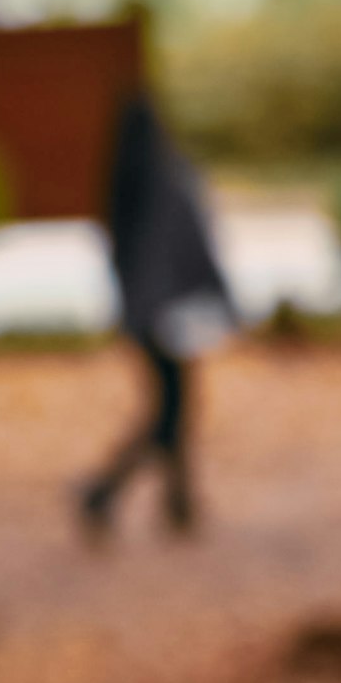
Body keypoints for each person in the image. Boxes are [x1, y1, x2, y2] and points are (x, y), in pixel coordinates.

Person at [77, 89, 232, 539]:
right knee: (169, 412)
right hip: (167, 314)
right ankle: (109, 492)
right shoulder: (164, 181)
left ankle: (177, 501)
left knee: (173, 409)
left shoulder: (125, 184)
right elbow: (188, 249)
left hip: (145, 315)